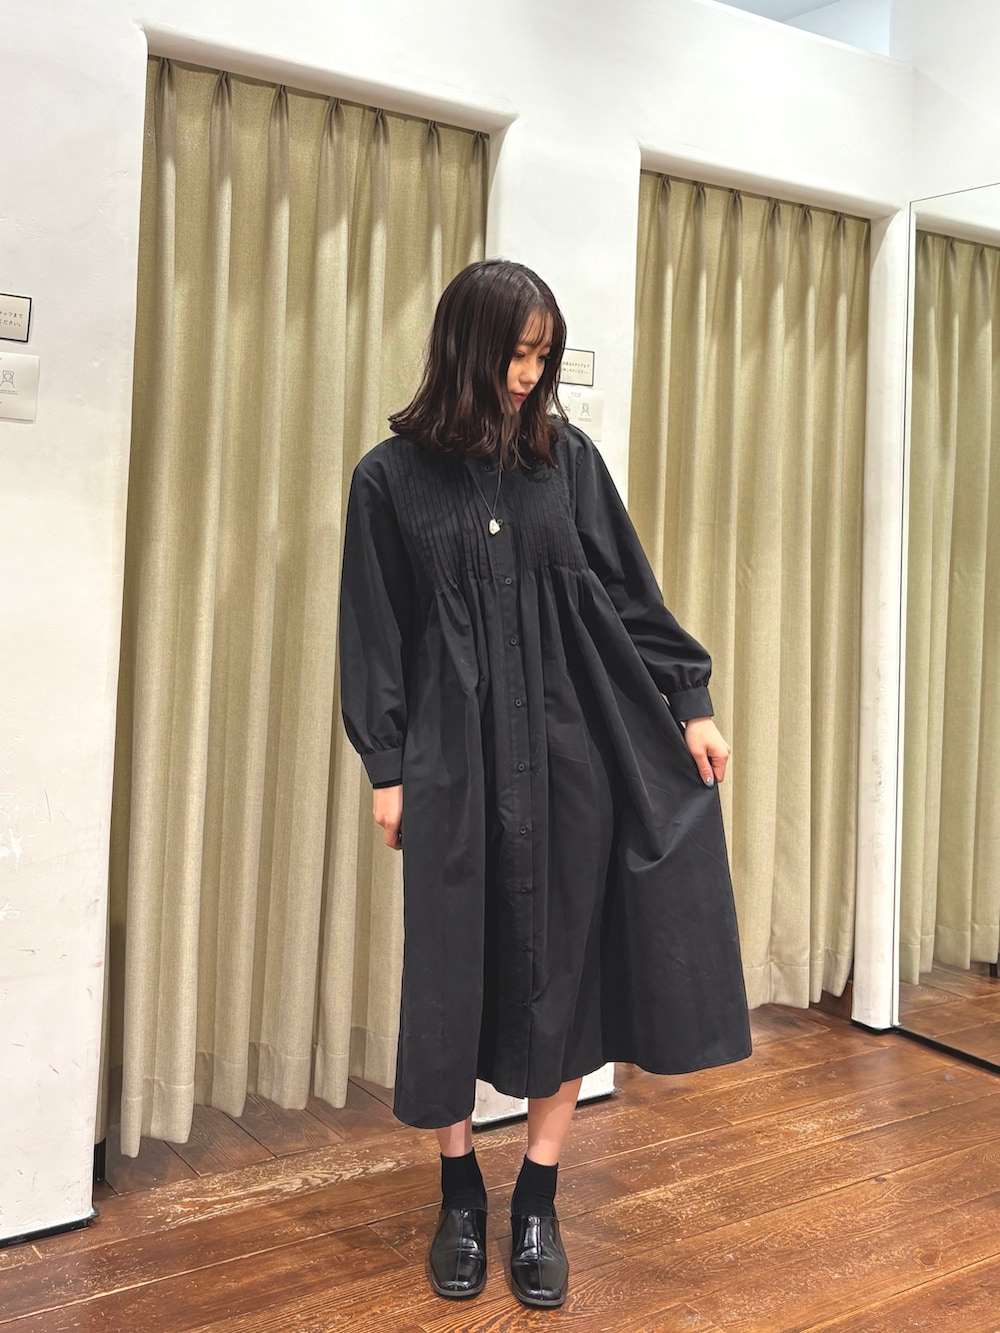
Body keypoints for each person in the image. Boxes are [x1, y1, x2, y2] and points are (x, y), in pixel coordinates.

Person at [338, 260, 751, 1310]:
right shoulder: (389, 480)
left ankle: (537, 1198)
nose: (529, 375)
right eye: (516, 354)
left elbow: (629, 593)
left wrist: (689, 699)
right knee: (449, 971)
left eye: (542, 356)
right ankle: (458, 1194)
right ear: (466, 347)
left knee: (563, 973)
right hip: (453, 764)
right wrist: (388, 766)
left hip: (572, 755)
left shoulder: (568, 465)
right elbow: (374, 631)